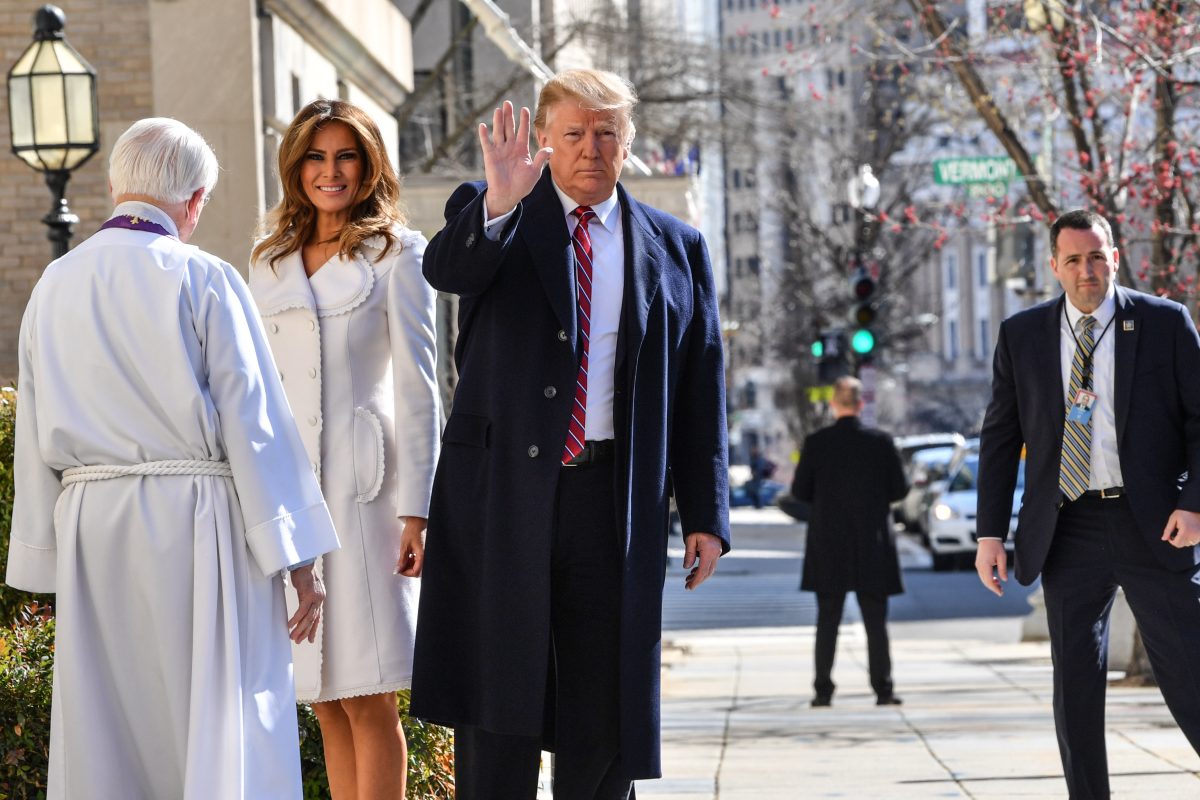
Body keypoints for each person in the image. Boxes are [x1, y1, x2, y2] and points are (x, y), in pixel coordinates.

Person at [410, 69, 730, 799]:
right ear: (546, 141)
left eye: (607, 133)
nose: (592, 148)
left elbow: (698, 388)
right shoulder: (494, 210)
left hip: (611, 502)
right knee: (500, 701)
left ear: (629, 144)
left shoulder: (676, 247)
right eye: (576, 133)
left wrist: (705, 514)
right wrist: (500, 199)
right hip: (504, 497)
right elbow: (448, 272)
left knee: (604, 711)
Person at [3, 118, 339, 799]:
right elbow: (255, 422)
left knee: (108, 725)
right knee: (215, 713)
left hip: (92, 527)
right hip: (197, 523)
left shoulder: (53, 284)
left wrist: (43, 552)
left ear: (115, 187)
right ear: (195, 200)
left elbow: (33, 425)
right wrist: (298, 557)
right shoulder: (204, 277)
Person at [249, 99, 439, 799]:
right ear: (295, 167)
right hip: (292, 495)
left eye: (346, 156)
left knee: (368, 692)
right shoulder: (267, 264)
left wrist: (419, 511)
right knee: (323, 698)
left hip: (367, 497)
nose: (330, 172)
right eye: (315, 157)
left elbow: (420, 389)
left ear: (368, 165)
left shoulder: (397, 255)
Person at [976, 209, 1200, 799]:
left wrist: (1195, 504)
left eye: (1097, 256)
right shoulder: (1022, 335)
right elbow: (1000, 438)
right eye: (1073, 260)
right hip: (1065, 527)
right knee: (1074, 685)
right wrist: (989, 534)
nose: (1086, 270)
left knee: (1189, 669)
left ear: (1115, 258)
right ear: (1054, 266)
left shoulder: (1164, 323)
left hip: (1153, 523)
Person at [791, 376, 908, 707]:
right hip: (872, 540)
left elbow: (800, 491)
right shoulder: (881, 442)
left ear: (833, 404)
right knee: (876, 621)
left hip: (829, 541)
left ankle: (822, 690)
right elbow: (900, 489)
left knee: (827, 619)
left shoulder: (816, 443)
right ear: (860, 404)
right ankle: (883, 688)